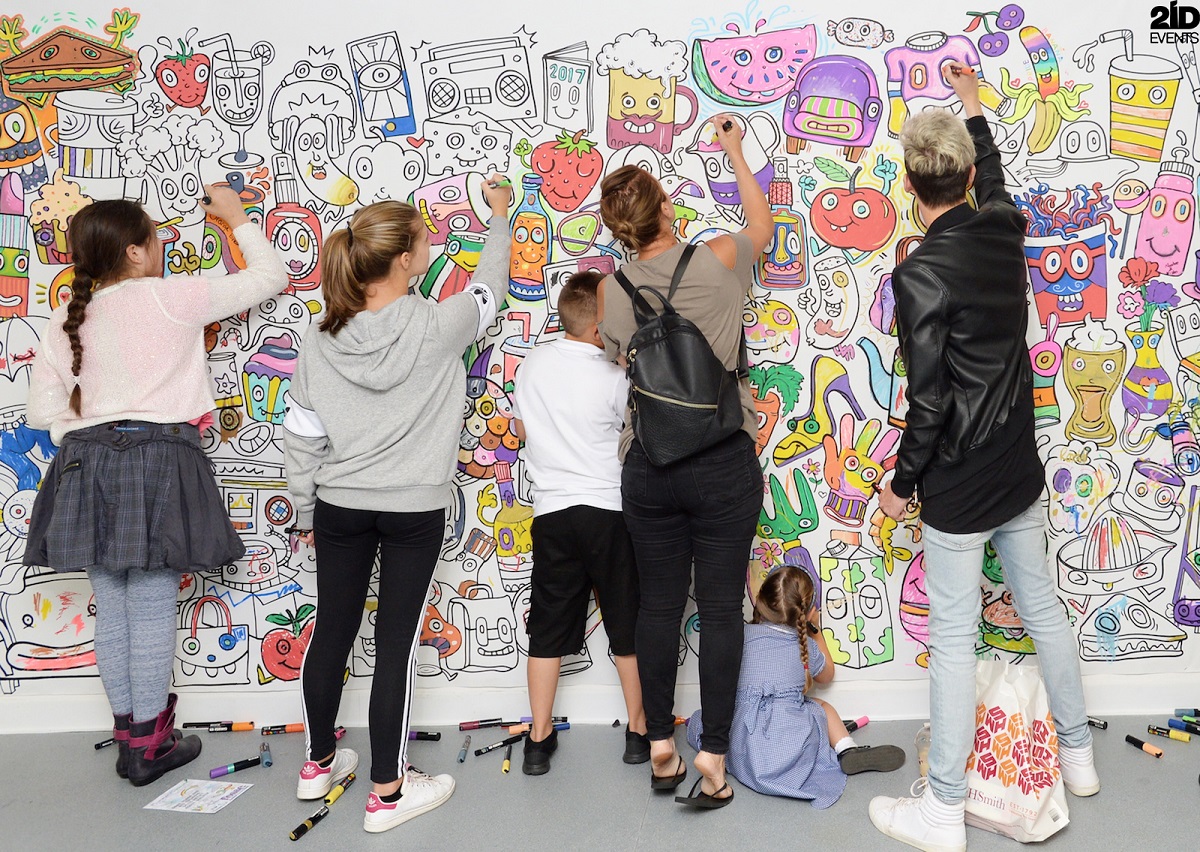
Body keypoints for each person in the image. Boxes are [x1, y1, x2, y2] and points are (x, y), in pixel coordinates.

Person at [871, 64, 1099, 852]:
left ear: (910, 186)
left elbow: (930, 401)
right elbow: (995, 179)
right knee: (1044, 611)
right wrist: (973, 107)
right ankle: (1078, 758)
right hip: (1017, 468)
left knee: (954, 640)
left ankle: (942, 811)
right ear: (965, 178)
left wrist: (901, 485)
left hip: (962, 485)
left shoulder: (919, 272)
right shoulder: (1003, 227)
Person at [23, 189, 288, 787]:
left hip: (83, 465)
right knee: (149, 599)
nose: (164, 245)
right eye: (156, 238)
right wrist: (236, 218)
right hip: (158, 457)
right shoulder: (171, 297)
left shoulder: (65, 319)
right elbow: (270, 277)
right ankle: (149, 746)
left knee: (112, 603)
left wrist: (86, 429)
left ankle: (130, 740)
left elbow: (41, 411)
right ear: (135, 252)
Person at [283, 176, 512, 833]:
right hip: (413, 510)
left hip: (339, 506)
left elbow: (301, 434)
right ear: (405, 260)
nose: (430, 245)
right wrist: (499, 216)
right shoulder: (440, 325)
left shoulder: (319, 337)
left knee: (332, 629)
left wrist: (304, 509)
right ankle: (387, 793)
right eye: (423, 240)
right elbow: (490, 286)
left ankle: (317, 765)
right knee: (394, 647)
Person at [596, 114, 772, 808]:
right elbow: (762, 226)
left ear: (620, 230)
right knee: (723, 609)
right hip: (723, 458)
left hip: (650, 466)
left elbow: (624, 360)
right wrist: (734, 150)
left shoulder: (610, 292)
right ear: (666, 209)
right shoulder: (718, 258)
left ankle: (661, 746)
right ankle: (715, 758)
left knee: (659, 607)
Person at [511, 270, 648, 776]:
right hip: (608, 511)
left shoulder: (532, 364)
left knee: (547, 627)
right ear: (599, 328)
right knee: (625, 623)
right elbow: (632, 433)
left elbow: (521, 427)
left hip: (552, 513)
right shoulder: (615, 375)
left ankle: (538, 737)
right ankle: (639, 731)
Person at [686, 565, 906, 807]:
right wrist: (815, 630)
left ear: (758, 600)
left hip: (742, 747)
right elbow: (827, 675)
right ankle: (847, 750)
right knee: (821, 708)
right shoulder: (805, 646)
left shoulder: (739, 635)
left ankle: (718, 754)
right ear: (808, 612)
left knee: (705, 718)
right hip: (788, 751)